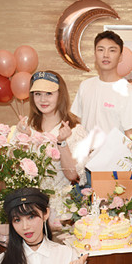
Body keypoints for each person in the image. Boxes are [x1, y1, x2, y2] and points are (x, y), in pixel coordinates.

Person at [26, 70, 89, 210]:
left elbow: (72, 175)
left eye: (49, 93)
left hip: (60, 209)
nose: (43, 100)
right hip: (29, 209)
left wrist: (62, 143)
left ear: (60, 95)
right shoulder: (26, 127)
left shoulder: (75, 131)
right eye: (38, 94)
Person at [70, 30, 132, 140]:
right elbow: (77, 122)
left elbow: (130, 136)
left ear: (120, 57)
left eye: (112, 50)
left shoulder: (128, 92)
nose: (106, 55)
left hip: (113, 151)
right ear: (95, 54)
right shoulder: (85, 85)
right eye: (101, 50)